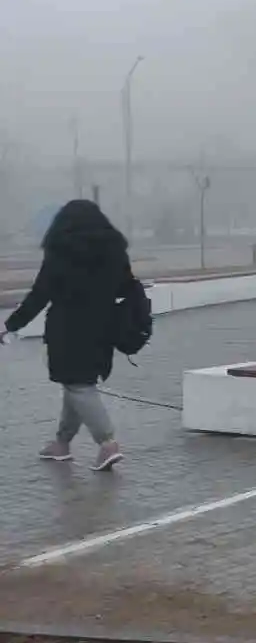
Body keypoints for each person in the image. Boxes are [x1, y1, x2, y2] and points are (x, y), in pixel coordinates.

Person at [4, 199, 137, 470]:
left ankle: (107, 443)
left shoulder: (61, 250)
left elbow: (41, 293)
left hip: (68, 329)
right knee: (76, 383)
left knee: (79, 385)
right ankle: (61, 443)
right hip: (103, 325)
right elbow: (126, 286)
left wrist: (12, 324)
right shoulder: (114, 250)